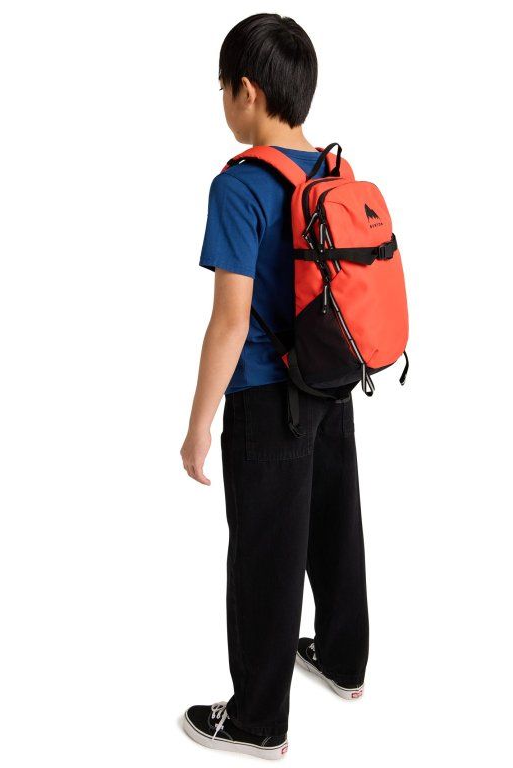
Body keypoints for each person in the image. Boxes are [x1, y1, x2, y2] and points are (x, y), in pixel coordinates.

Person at [180, 13, 369, 761]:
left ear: (247, 91)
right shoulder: (334, 173)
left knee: (265, 552)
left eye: (223, 88)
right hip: (333, 380)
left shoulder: (240, 186)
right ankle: (345, 661)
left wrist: (198, 425)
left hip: (265, 397)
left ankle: (257, 720)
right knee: (334, 528)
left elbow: (230, 322)